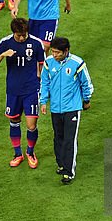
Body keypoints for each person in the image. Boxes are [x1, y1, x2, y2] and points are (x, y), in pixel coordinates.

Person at [0, 18, 46, 168]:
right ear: (13, 32)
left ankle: (30, 152)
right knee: (14, 121)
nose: (21, 38)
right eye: (18, 35)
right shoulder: (5, 42)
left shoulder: (36, 43)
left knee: (31, 124)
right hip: (13, 90)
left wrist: (41, 82)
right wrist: (3, 55)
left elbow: (42, 64)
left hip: (31, 89)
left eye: (24, 35)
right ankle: (17, 154)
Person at [40, 37, 93, 185]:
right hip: (55, 108)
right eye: (53, 52)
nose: (54, 55)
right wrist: (43, 101)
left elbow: (86, 83)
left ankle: (69, 172)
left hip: (72, 108)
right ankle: (61, 164)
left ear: (66, 51)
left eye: (57, 52)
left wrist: (86, 100)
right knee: (58, 137)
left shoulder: (77, 63)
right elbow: (45, 82)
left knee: (69, 139)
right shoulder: (48, 62)